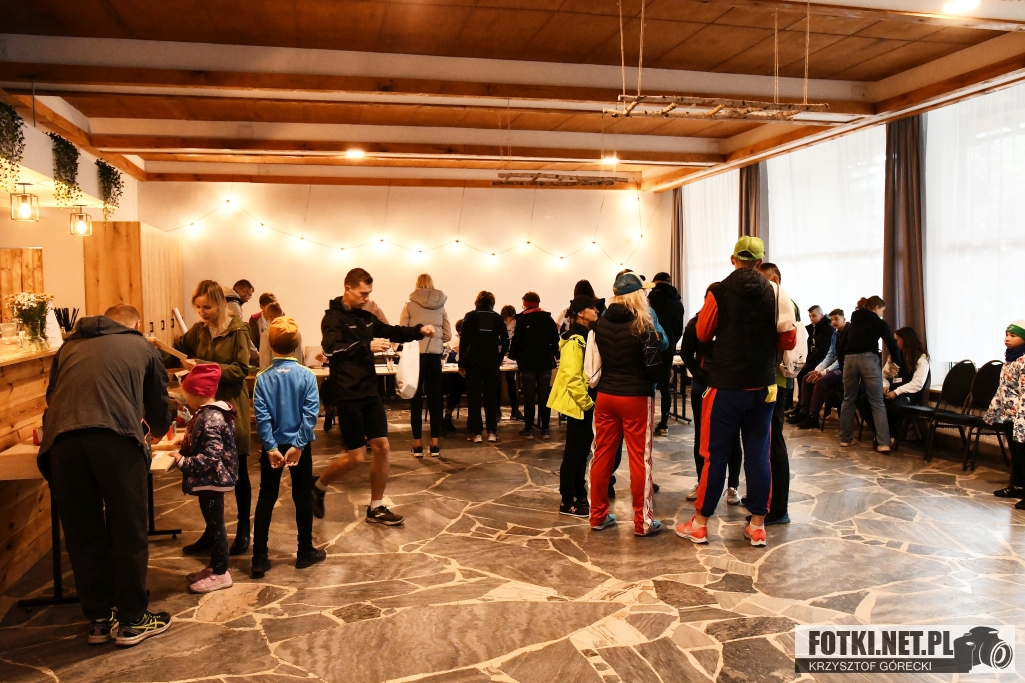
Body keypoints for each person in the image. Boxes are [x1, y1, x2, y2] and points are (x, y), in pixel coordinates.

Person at [38, 304, 174, 647]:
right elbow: (158, 403)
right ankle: (133, 620)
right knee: (127, 529)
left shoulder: (69, 347)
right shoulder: (142, 346)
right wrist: (157, 432)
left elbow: (52, 396)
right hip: (115, 440)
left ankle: (99, 619)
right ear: (136, 323)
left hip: (62, 444)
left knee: (83, 532)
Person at [676, 237, 796, 548]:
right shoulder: (777, 292)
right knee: (758, 454)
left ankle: (700, 524)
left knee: (715, 455)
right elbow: (788, 340)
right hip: (764, 386)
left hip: (726, 386)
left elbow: (703, 333)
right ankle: (757, 526)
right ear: (760, 262)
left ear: (733, 259)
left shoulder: (718, 291)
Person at [313, 268, 434, 524]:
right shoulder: (332, 318)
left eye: (369, 293)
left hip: (370, 392)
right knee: (357, 456)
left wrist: (419, 330)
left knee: (382, 447)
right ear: (347, 289)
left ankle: (376, 506)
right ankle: (318, 486)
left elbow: (392, 330)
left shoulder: (366, 317)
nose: (366, 298)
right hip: (347, 393)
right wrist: (365, 346)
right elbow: (331, 350)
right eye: (362, 293)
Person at [169, 280, 254, 556]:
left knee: (239, 470)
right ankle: (212, 531)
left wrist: (205, 366)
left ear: (219, 303)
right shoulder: (199, 330)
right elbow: (180, 349)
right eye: (197, 307)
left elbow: (241, 370)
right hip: (204, 408)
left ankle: (243, 529)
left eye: (206, 307)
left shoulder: (238, 329)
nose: (202, 312)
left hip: (231, 408)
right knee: (206, 474)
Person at [586, 272, 668, 537]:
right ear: (637, 295)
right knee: (640, 459)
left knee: (601, 455)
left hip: (606, 396)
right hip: (636, 397)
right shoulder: (644, 324)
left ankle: (597, 515)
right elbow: (654, 368)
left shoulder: (600, 323)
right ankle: (643, 522)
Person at [251, 317, 325, 579]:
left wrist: (270, 447)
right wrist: (299, 445)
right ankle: (305, 551)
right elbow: (310, 414)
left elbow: (262, 417)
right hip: (299, 447)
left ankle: (259, 557)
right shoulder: (307, 376)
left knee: (266, 497)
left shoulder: (262, 378)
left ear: (270, 346)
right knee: (302, 496)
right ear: (296, 346)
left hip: (272, 446)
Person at [173, 364, 239, 594]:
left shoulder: (211, 417)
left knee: (216, 527)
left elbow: (212, 453)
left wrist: (184, 462)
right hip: (210, 480)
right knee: (213, 526)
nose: (185, 399)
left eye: (187, 394)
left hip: (213, 480)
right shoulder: (208, 413)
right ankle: (215, 566)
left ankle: (221, 573)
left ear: (198, 394)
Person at [679, 287, 742, 507]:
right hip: (702, 387)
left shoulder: (732, 321)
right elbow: (686, 352)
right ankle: (701, 482)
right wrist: (698, 373)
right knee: (702, 436)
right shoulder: (696, 323)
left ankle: (733, 486)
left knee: (733, 437)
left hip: (729, 387)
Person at [548, 295, 600, 517]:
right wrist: (588, 404)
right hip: (579, 404)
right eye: (592, 308)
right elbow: (572, 377)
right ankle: (567, 500)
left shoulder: (587, 335)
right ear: (580, 313)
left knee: (582, 453)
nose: (596, 311)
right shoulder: (574, 340)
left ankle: (579, 493)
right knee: (573, 453)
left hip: (585, 403)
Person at [755, 262, 797, 526]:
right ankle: (764, 498)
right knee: (765, 443)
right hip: (770, 380)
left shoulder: (784, 304)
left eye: (764, 281)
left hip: (776, 381)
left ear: (775, 280)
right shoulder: (778, 302)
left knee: (773, 444)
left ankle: (778, 508)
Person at [837, 295, 901, 451]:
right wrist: (898, 362)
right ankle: (883, 443)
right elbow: (891, 343)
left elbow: (841, 347)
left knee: (848, 400)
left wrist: (843, 366)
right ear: (876, 308)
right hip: (868, 359)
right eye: (882, 311)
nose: (881, 314)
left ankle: (845, 439)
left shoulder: (852, 324)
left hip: (849, 360)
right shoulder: (878, 322)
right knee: (877, 402)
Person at [399, 273, 452, 457]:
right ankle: (435, 444)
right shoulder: (441, 306)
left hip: (416, 357)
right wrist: (435, 339)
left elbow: (403, 332)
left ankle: (417, 445)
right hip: (434, 357)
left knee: (415, 400)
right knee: (435, 400)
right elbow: (448, 335)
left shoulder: (409, 306)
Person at [459, 291, 509, 443]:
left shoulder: (470, 316)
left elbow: (464, 341)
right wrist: (499, 358)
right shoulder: (498, 318)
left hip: (473, 361)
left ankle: (476, 433)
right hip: (491, 362)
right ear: (492, 302)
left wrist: (461, 363)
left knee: (474, 398)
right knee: (491, 398)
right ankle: (492, 432)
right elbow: (506, 341)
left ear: (477, 302)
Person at [862, 326, 929, 439]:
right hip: (892, 389)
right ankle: (882, 433)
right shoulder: (894, 356)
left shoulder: (921, 358)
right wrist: (885, 386)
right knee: (864, 400)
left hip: (909, 393)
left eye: (897, 340)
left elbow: (917, 384)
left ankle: (891, 436)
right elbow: (883, 375)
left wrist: (896, 392)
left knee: (895, 407)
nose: (894, 342)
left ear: (906, 340)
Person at [509, 292, 560, 439]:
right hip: (545, 363)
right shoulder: (548, 318)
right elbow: (555, 340)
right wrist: (555, 355)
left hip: (527, 364)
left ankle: (528, 429)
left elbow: (516, 341)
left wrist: (512, 356)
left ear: (525, 303)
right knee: (544, 396)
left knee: (529, 397)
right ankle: (545, 429)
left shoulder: (522, 319)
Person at [985, 321, 1025, 506]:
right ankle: (1017, 485)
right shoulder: (1010, 359)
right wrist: (992, 412)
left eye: (1013, 336)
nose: (1007, 339)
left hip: (1021, 418)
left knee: (1023, 454)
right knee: (1015, 454)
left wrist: (1021, 420)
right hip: (1010, 415)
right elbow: (1003, 388)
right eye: (1006, 334)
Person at [791, 309, 847, 429]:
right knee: (807, 377)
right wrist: (818, 369)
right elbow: (830, 355)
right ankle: (804, 412)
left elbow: (843, 359)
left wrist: (824, 371)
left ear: (844, 319)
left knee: (820, 381)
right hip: (834, 366)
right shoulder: (835, 334)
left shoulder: (848, 333)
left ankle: (814, 417)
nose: (833, 322)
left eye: (836, 319)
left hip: (844, 369)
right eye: (832, 319)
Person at [647, 272, 684, 437]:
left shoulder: (649, 301)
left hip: (650, 347)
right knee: (665, 387)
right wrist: (671, 342)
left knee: (648, 385)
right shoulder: (677, 303)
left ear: (655, 282)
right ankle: (663, 423)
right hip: (668, 349)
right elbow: (679, 329)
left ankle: (646, 421)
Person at [794, 305, 833, 409]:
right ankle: (801, 406)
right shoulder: (813, 328)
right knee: (798, 372)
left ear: (821, 315)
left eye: (814, 316)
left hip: (822, 360)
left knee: (803, 374)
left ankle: (804, 407)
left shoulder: (828, 329)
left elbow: (823, 350)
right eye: (810, 316)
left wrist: (808, 362)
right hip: (813, 359)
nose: (811, 318)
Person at [258, 301, 305, 370]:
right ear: (283, 314)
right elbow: (302, 356)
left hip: (275, 374)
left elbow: (264, 362)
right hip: (296, 373)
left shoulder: (266, 334)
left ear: (269, 317)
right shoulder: (296, 331)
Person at [441, 318, 465, 435]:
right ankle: (447, 416)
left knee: (460, 385)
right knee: (458, 387)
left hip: (457, 374)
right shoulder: (455, 339)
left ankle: (448, 415)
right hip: (449, 376)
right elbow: (461, 353)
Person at [500, 305, 523, 422]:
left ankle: (514, 410)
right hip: (500, 355)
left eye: (510, 320)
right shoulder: (499, 322)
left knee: (511, 380)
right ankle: (496, 411)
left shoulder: (518, 323)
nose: (508, 322)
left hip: (512, 357)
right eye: (506, 320)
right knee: (497, 381)